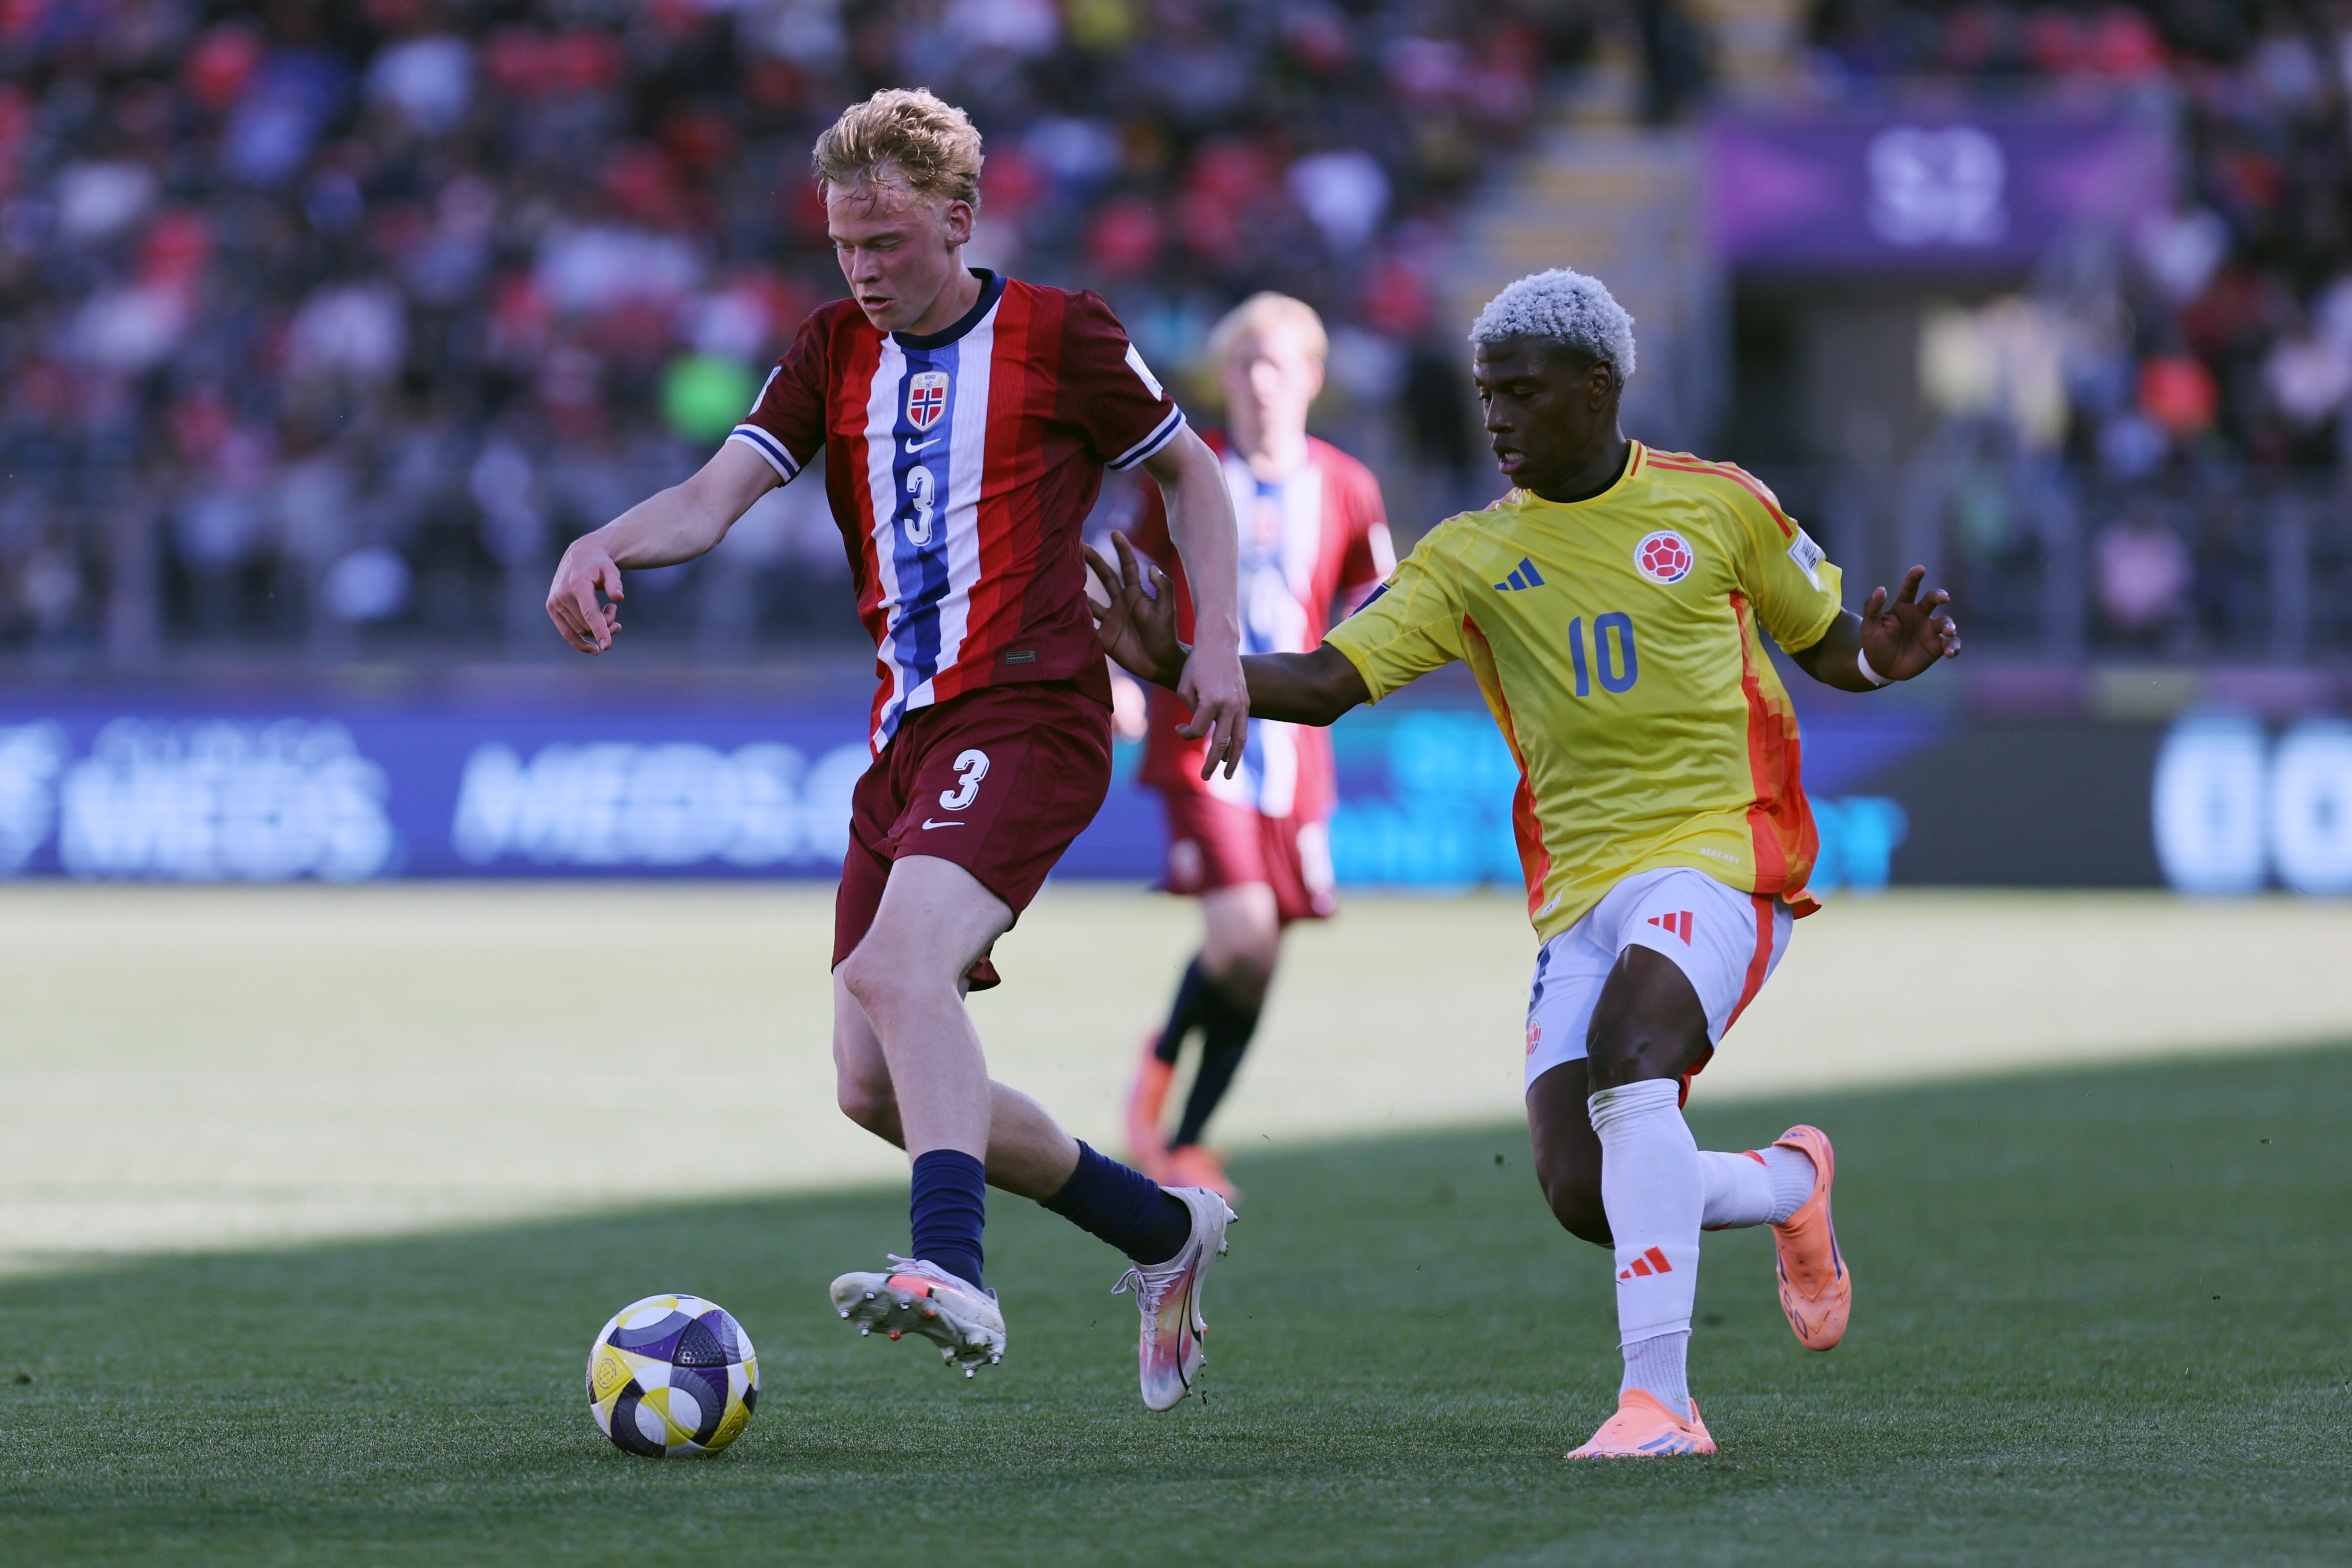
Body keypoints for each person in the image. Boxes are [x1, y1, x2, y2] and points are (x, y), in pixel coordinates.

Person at [1088, 267, 1962, 1457]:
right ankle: (1784, 1187)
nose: (1492, 417)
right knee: (1579, 1189)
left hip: (1722, 853)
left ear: (1595, 388)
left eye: (1518, 392)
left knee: (1630, 1058)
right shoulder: (1468, 556)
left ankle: (1659, 1403)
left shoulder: (1718, 507)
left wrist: (1880, 660)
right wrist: (1182, 660)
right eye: (1482, 393)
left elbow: (1829, 645)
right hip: (1579, 895)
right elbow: (1331, 682)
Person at [544, 89, 1251, 1412]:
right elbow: (710, 500)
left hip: (1034, 710)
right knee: (870, 1082)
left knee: (894, 966)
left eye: (889, 243)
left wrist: (1215, 643)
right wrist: (602, 542)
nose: (864, 272)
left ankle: (950, 1267)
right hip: (906, 738)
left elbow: (1190, 474)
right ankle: (1161, 1229)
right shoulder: (827, 352)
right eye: (844, 247)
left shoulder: (1062, 334)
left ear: (959, 221)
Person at [1113, 293, 1394, 1199]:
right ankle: (1153, 1098)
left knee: (1265, 951)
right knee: (1241, 933)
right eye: (1244, 365)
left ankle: (1184, 1140)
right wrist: (1116, 675)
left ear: (1312, 378)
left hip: (1295, 746)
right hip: (1199, 730)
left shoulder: (1346, 484)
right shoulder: (1190, 473)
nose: (1259, 382)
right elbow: (1123, 574)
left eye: (1276, 364)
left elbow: (1375, 590)